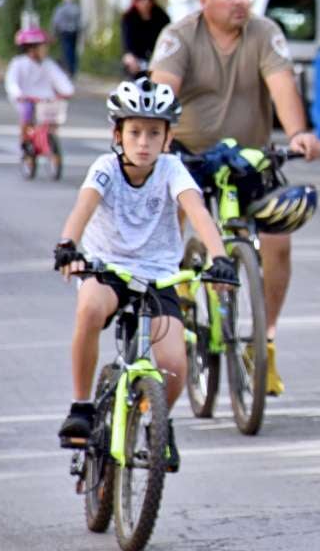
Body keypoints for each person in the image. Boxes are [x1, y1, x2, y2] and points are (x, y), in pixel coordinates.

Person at [150, 0, 320, 397]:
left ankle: (264, 343)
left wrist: (299, 133)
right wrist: (156, 138)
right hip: (188, 154)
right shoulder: (180, 36)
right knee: (169, 219)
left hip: (249, 156)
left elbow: (282, 86)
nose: (239, 1)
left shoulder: (264, 33)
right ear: (204, 1)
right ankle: (178, 295)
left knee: (279, 239)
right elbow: (163, 89)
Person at [53, 78, 238, 472]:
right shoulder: (105, 169)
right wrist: (68, 245)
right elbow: (81, 210)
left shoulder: (172, 170)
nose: (143, 142)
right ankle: (82, 406)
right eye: (135, 132)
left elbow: (199, 213)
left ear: (168, 137)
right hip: (108, 269)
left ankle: (157, 424)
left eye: (154, 133)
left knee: (174, 366)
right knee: (88, 308)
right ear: (117, 133)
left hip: (158, 276)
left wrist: (219, 257)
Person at [4, 27, 74, 158]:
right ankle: (25, 141)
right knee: (27, 113)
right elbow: (11, 82)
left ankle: (50, 139)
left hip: (46, 99)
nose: (45, 50)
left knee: (54, 117)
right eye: (42, 47)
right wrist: (18, 94)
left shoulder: (48, 64)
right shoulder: (18, 64)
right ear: (31, 48)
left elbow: (60, 80)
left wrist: (67, 91)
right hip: (27, 99)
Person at [121, 0, 170, 75]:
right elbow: (127, 43)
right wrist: (129, 56)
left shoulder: (162, 17)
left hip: (158, 62)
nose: (146, 2)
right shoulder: (129, 18)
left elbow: (168, 40)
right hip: (138, 63)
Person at [51, 0, 83, 77]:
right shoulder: (76, 8)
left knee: (67, 50)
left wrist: (54, 33)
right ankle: (73, 69)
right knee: (73, 50)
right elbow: (80, 22)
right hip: (74, 32)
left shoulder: (61, 8)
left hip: (64, 32)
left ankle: (69, 69)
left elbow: (56, 21)